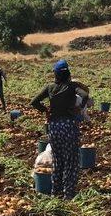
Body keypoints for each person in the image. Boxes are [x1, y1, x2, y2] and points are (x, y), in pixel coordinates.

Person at [31, 59, 89, 199]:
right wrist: (79, 108)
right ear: (68, 73)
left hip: (54, 127)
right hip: (68, 126)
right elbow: (85, 95)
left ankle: (55, 192)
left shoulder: (50, 87)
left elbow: (34, 102)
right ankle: (68, 193)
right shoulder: (72, 86)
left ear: (55, 74)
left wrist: (45, 110)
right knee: (70, 160)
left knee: (57, 160)